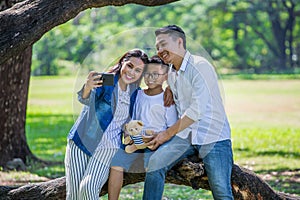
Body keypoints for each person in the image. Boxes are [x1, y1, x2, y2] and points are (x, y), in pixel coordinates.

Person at [143, 25, 234, 200]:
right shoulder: (171, 72)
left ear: (179, 42)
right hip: (185, 136)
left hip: (213, 136)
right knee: (155, 165)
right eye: (157, 47)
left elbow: (196, 110)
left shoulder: (200, 66)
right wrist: (168, 87)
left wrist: (166, 134)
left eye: (163, 44)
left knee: (221, 191)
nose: (160, 50)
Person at [64, 49, 149, 200]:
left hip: (108, 147)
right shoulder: (108, 80)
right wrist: (87, 87)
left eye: (138, 70)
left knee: (88, 188)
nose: (131, 72)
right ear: (122, 62)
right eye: (129, 66)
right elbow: (85, 99)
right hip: (82, 141)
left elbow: (134, 122)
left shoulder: (136, 93)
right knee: (74, 196)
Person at [107, 55, 178, 200]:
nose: (150, 78)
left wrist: (158, 137)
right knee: (116, 164)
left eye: (156, 74)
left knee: (151, 167)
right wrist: (127, 133)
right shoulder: (137, 93)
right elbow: (130, 118)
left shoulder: (167, 99)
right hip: (134, 140)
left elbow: (171, 128)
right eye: (147, 74)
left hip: (155, 142)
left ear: (165, 76)